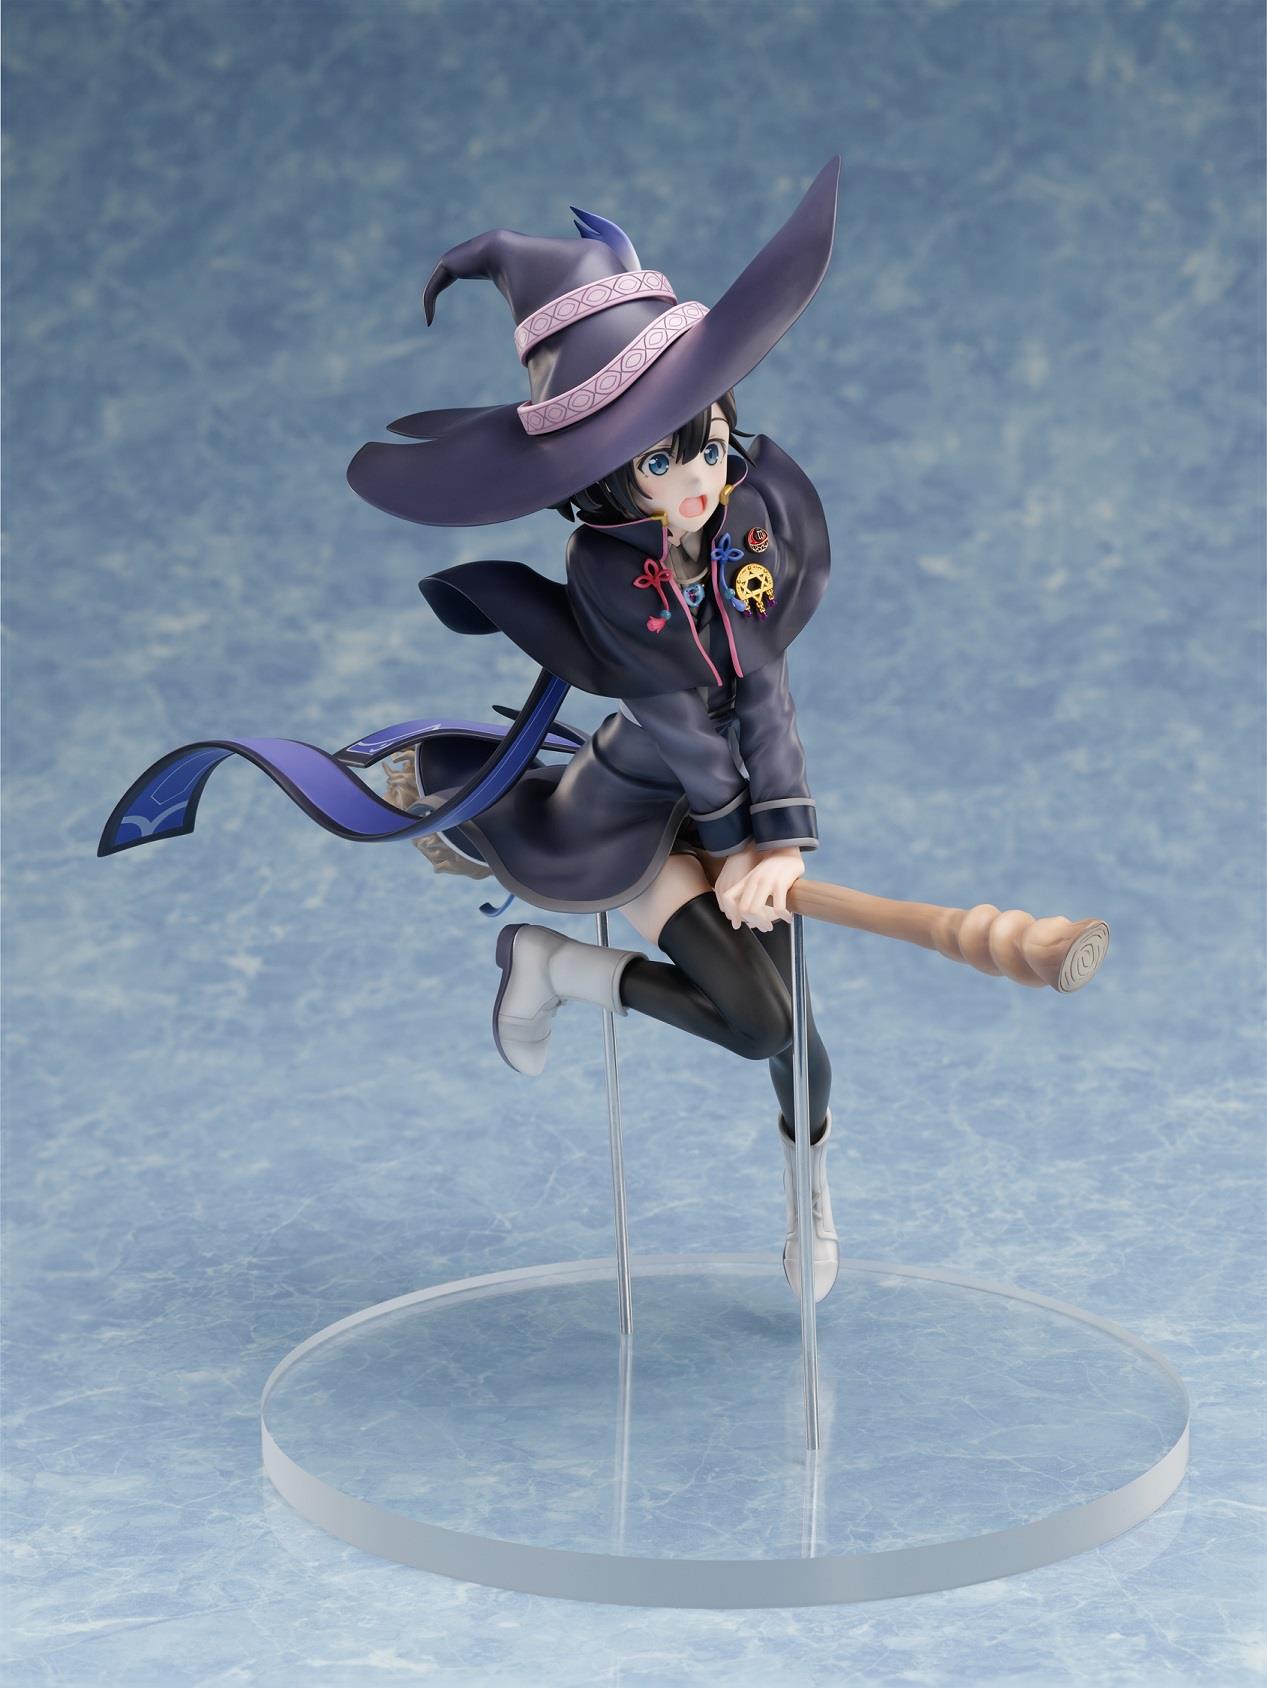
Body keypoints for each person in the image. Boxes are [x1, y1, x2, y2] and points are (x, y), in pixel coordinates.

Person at [347, 161, 843, 1298]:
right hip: (642, 810)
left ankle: (810, 1197)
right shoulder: (608, 572)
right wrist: (739, 846)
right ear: (608, 477)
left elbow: (762, 688)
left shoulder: (748, 518)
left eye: (705, 439)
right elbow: (681, 722)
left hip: (735, 815)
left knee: (803, 1044)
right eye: (661, 459)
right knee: (757, 1022)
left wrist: (781, 838)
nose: (697, 475)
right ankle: (555, 964)